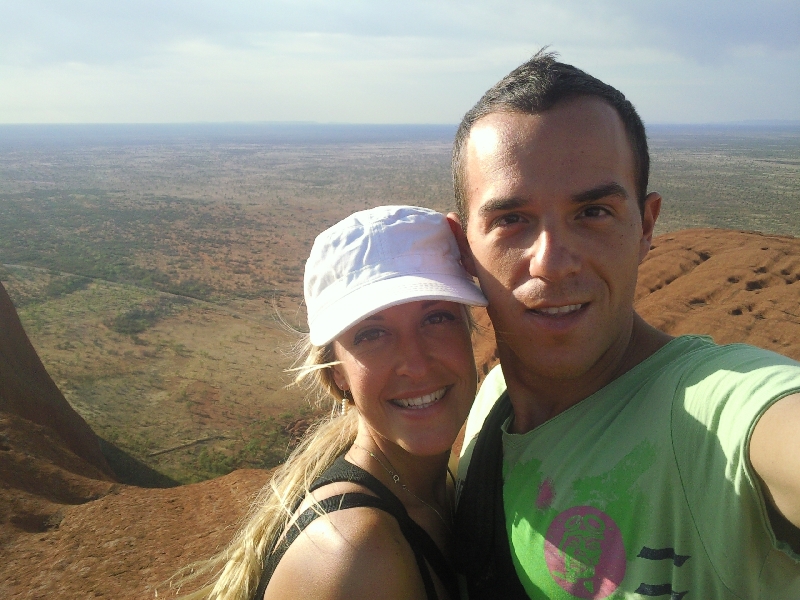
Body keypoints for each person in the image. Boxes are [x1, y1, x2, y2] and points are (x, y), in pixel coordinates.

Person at [448, 50, 800, 599]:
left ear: (646, 225)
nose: (553, 261)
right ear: (464, 249)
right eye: (511, 220)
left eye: (593, 213)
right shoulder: (489, 402)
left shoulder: (713, 413)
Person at [172, 205, 486, 600]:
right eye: (372, 334)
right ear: (337, 372)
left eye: (437, 318)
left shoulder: (437, 484)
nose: (417, 365)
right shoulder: (354, 554)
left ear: (469, 329)